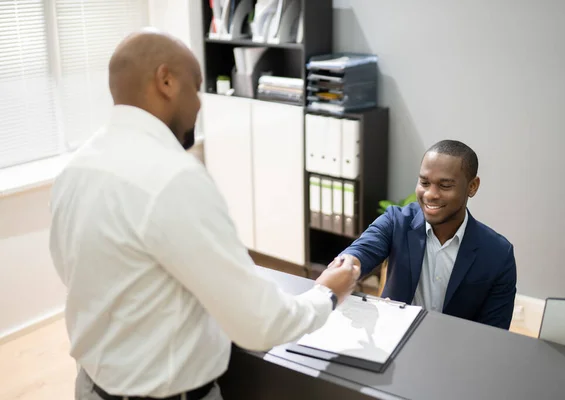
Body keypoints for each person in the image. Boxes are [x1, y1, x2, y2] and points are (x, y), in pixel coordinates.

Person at [49, 29, 360, 400]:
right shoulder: (173, 176)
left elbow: (86, 271)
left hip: (90, 388)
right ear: (166, 80)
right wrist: (326, 294)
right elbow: (259, 324)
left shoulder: (76, 167)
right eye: (195, 88)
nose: (199, 104)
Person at [331, 140, 517, 330]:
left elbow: (494, 333)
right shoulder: (396, 221)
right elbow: (360, 252)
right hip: (394, 340)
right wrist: (346, 265)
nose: (430, 194)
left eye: (445, 186)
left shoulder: (499, 255)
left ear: (472, 187)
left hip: (455, 351)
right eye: (424, 183)